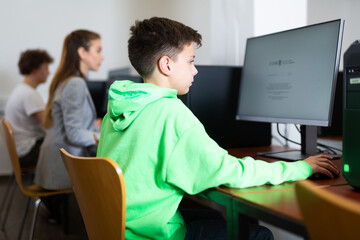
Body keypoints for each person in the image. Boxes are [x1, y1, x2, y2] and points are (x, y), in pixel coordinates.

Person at [96, 17, 339, 240]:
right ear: (166, 65)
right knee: (259, 234)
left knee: (216, 219)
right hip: (153, 235)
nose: (195, 70)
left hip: (122, 226)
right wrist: (301, 167)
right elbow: (232, 172)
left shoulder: (117, 109)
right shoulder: (170, 113)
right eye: (190, 61)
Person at [34, 29, 104, 190]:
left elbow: (71, 125)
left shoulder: (68, 80)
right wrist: (103, 136)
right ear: (82, 52)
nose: (102, 57)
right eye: (98, 50)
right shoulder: (75, 83)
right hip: (60, 167)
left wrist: (92, 126)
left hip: (53, 160)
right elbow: (74, 134)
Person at [5, 49, 53, 168]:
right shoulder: (29, 94)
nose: (49, 73)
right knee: (68, 149)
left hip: (21, 151)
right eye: (46, 68)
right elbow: (49, 124)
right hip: (28, 152)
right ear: (34, 69)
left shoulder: (21, 90)